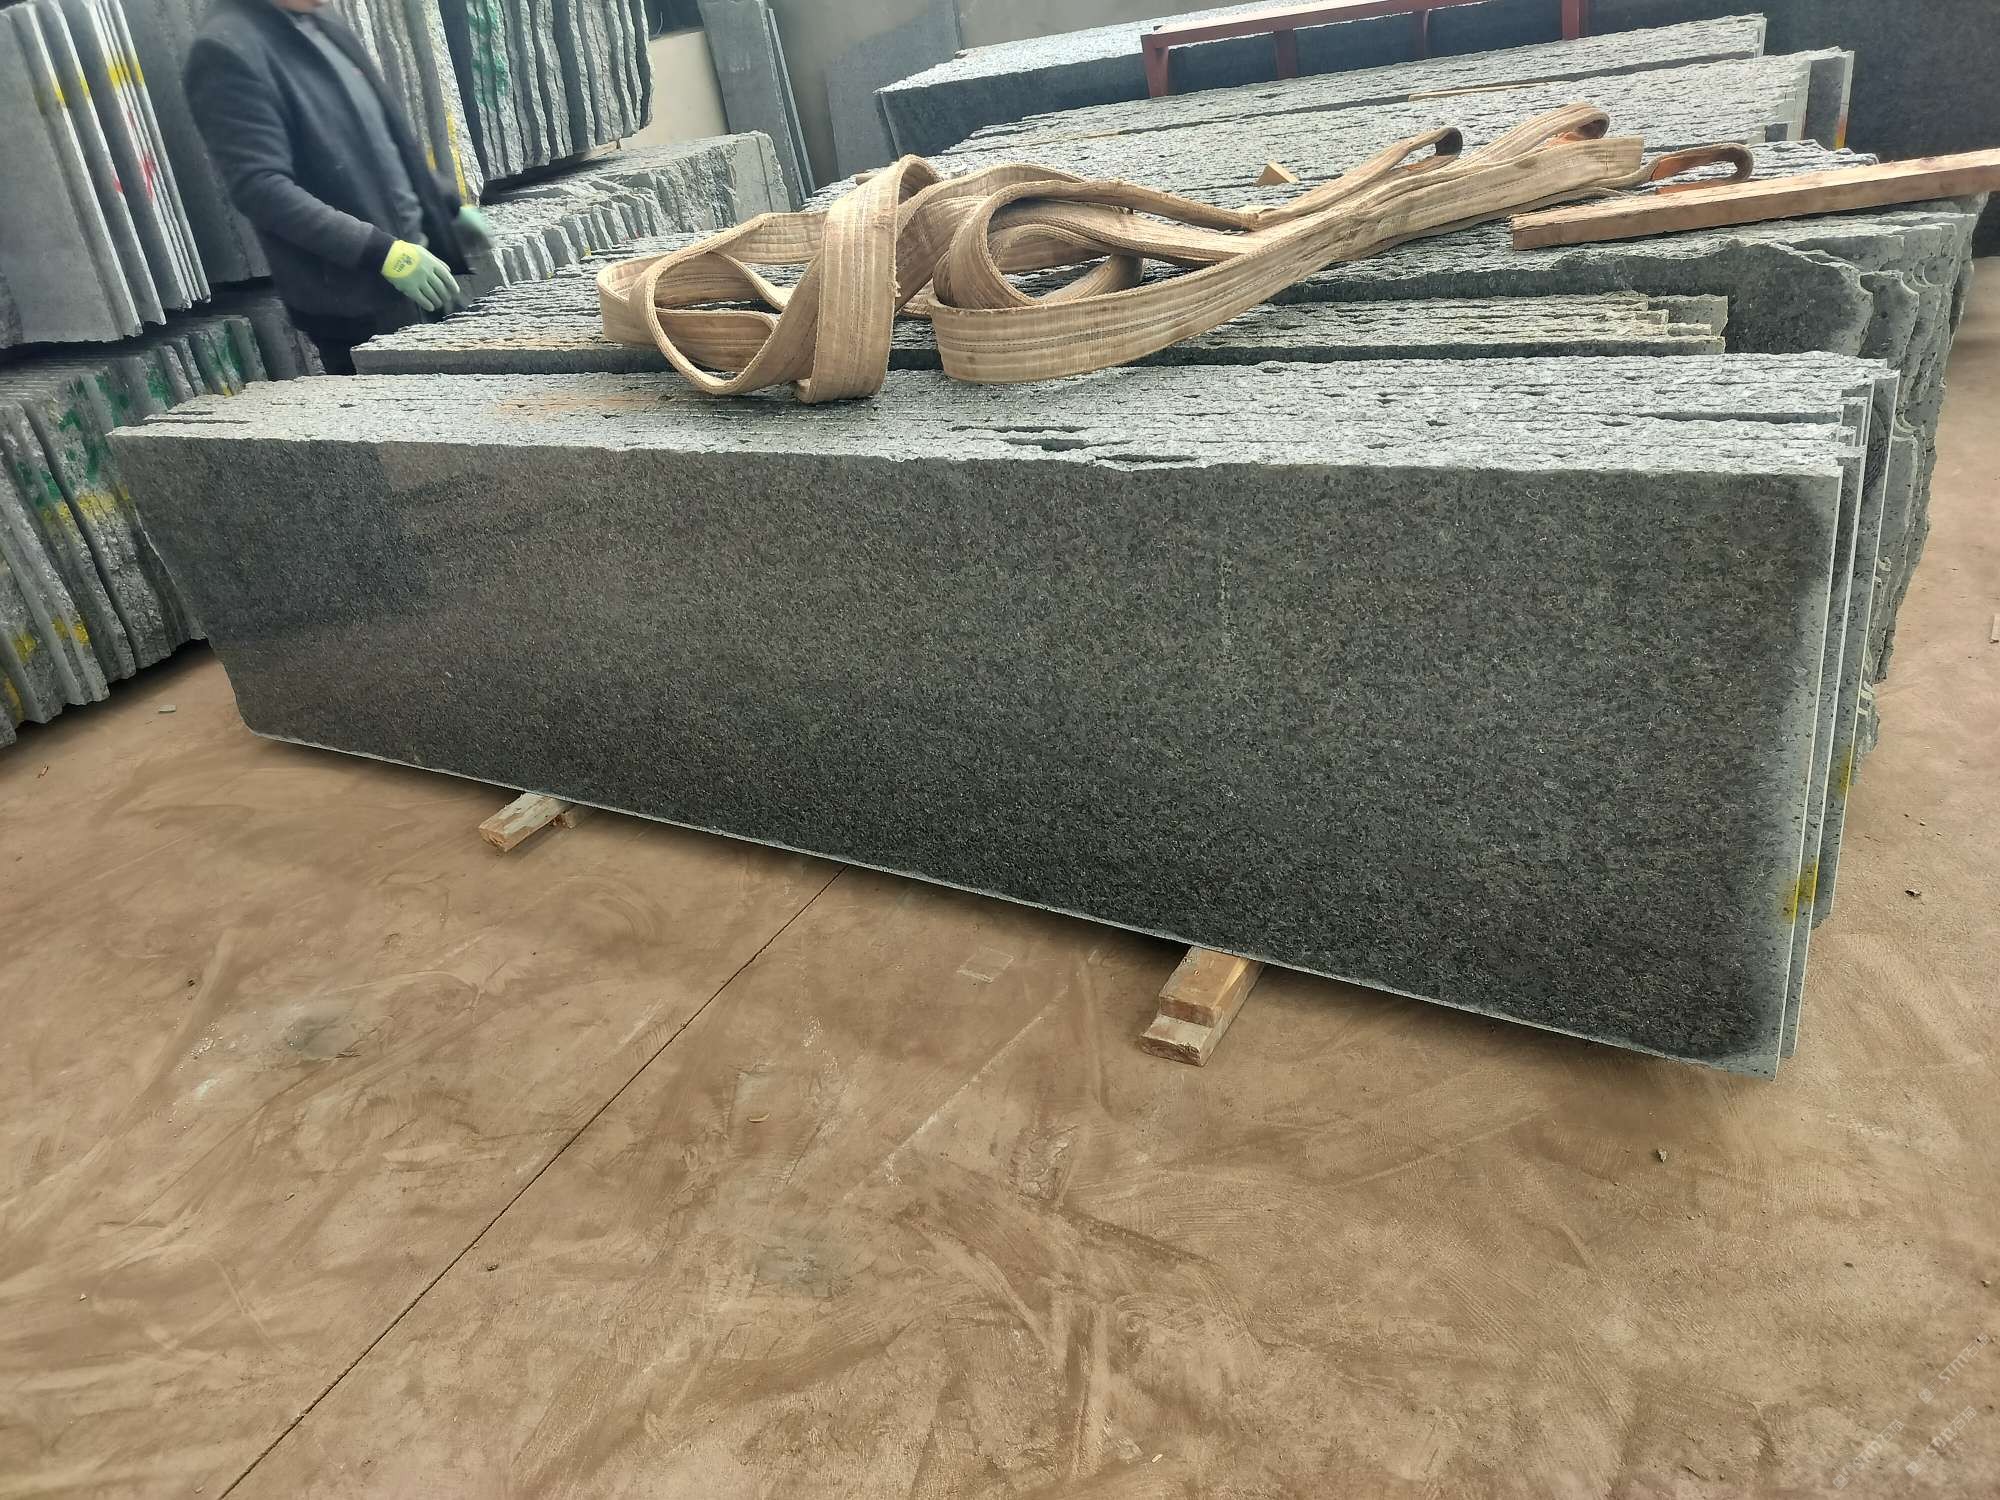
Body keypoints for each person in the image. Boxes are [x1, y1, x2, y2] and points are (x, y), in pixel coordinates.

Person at [185, 0, 495, 374]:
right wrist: (382, 252)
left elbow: (382, 135)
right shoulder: (226, 51)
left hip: (422, 274)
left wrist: (445, 205)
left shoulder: (318, 21)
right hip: (359, 304)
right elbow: (262, 189)